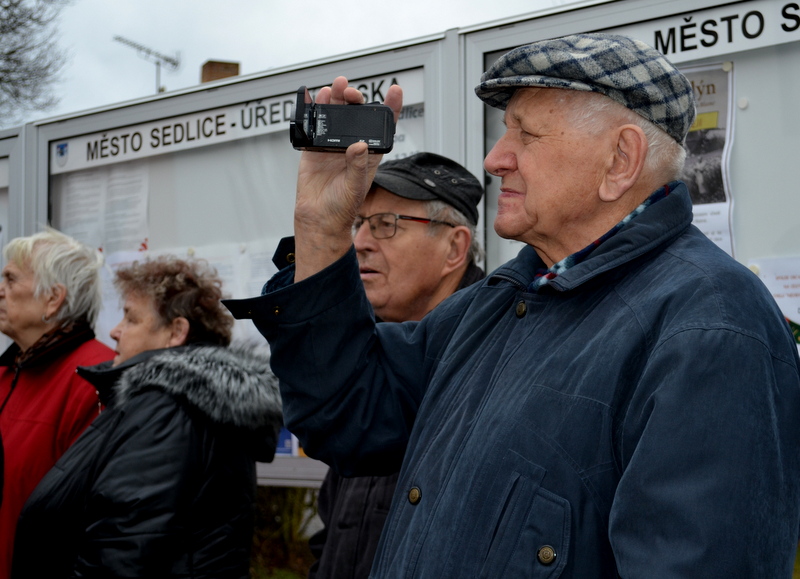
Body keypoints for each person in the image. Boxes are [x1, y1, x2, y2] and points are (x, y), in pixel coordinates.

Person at [225, 33, 800, 577]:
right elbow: (348, 414)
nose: (495, 159)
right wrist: (322, 225)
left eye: (526, 135)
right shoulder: (503, 300)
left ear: (620, 160)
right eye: (506, 132)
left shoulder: (711, 324)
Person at [12, 256, 283, 579]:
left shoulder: (169, 411)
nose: (115, 331)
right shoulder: (179, 404)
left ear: (176, 331)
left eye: (131, 318)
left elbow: (123, 552)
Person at [306, 152, 485, 579]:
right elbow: (334, 531)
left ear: (454, 248)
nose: (360, 242)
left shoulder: (488, 368)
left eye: (386, 224)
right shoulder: (367, 358)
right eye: (359, 223)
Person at [0, 229, 113, 579]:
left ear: (53, 299)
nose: (1, 290)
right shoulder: (8, 371)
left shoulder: (96, 378)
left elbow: (94, 520)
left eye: (10, 279)